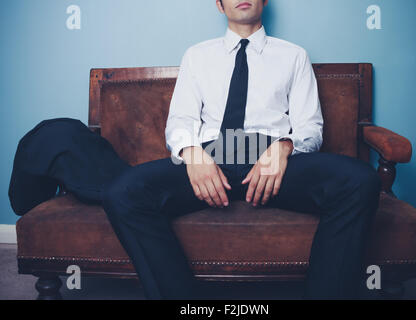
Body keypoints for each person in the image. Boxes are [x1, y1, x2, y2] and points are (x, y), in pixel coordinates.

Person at [101, 0, 381, 300]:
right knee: (123, 191)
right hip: (211, 158)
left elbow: (310, 128)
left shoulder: (294, 56)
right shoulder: (197, 56)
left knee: (360, 180)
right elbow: (180, 121)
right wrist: (193, 154)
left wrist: (284, 146)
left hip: (271, 161)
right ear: (219, 5)